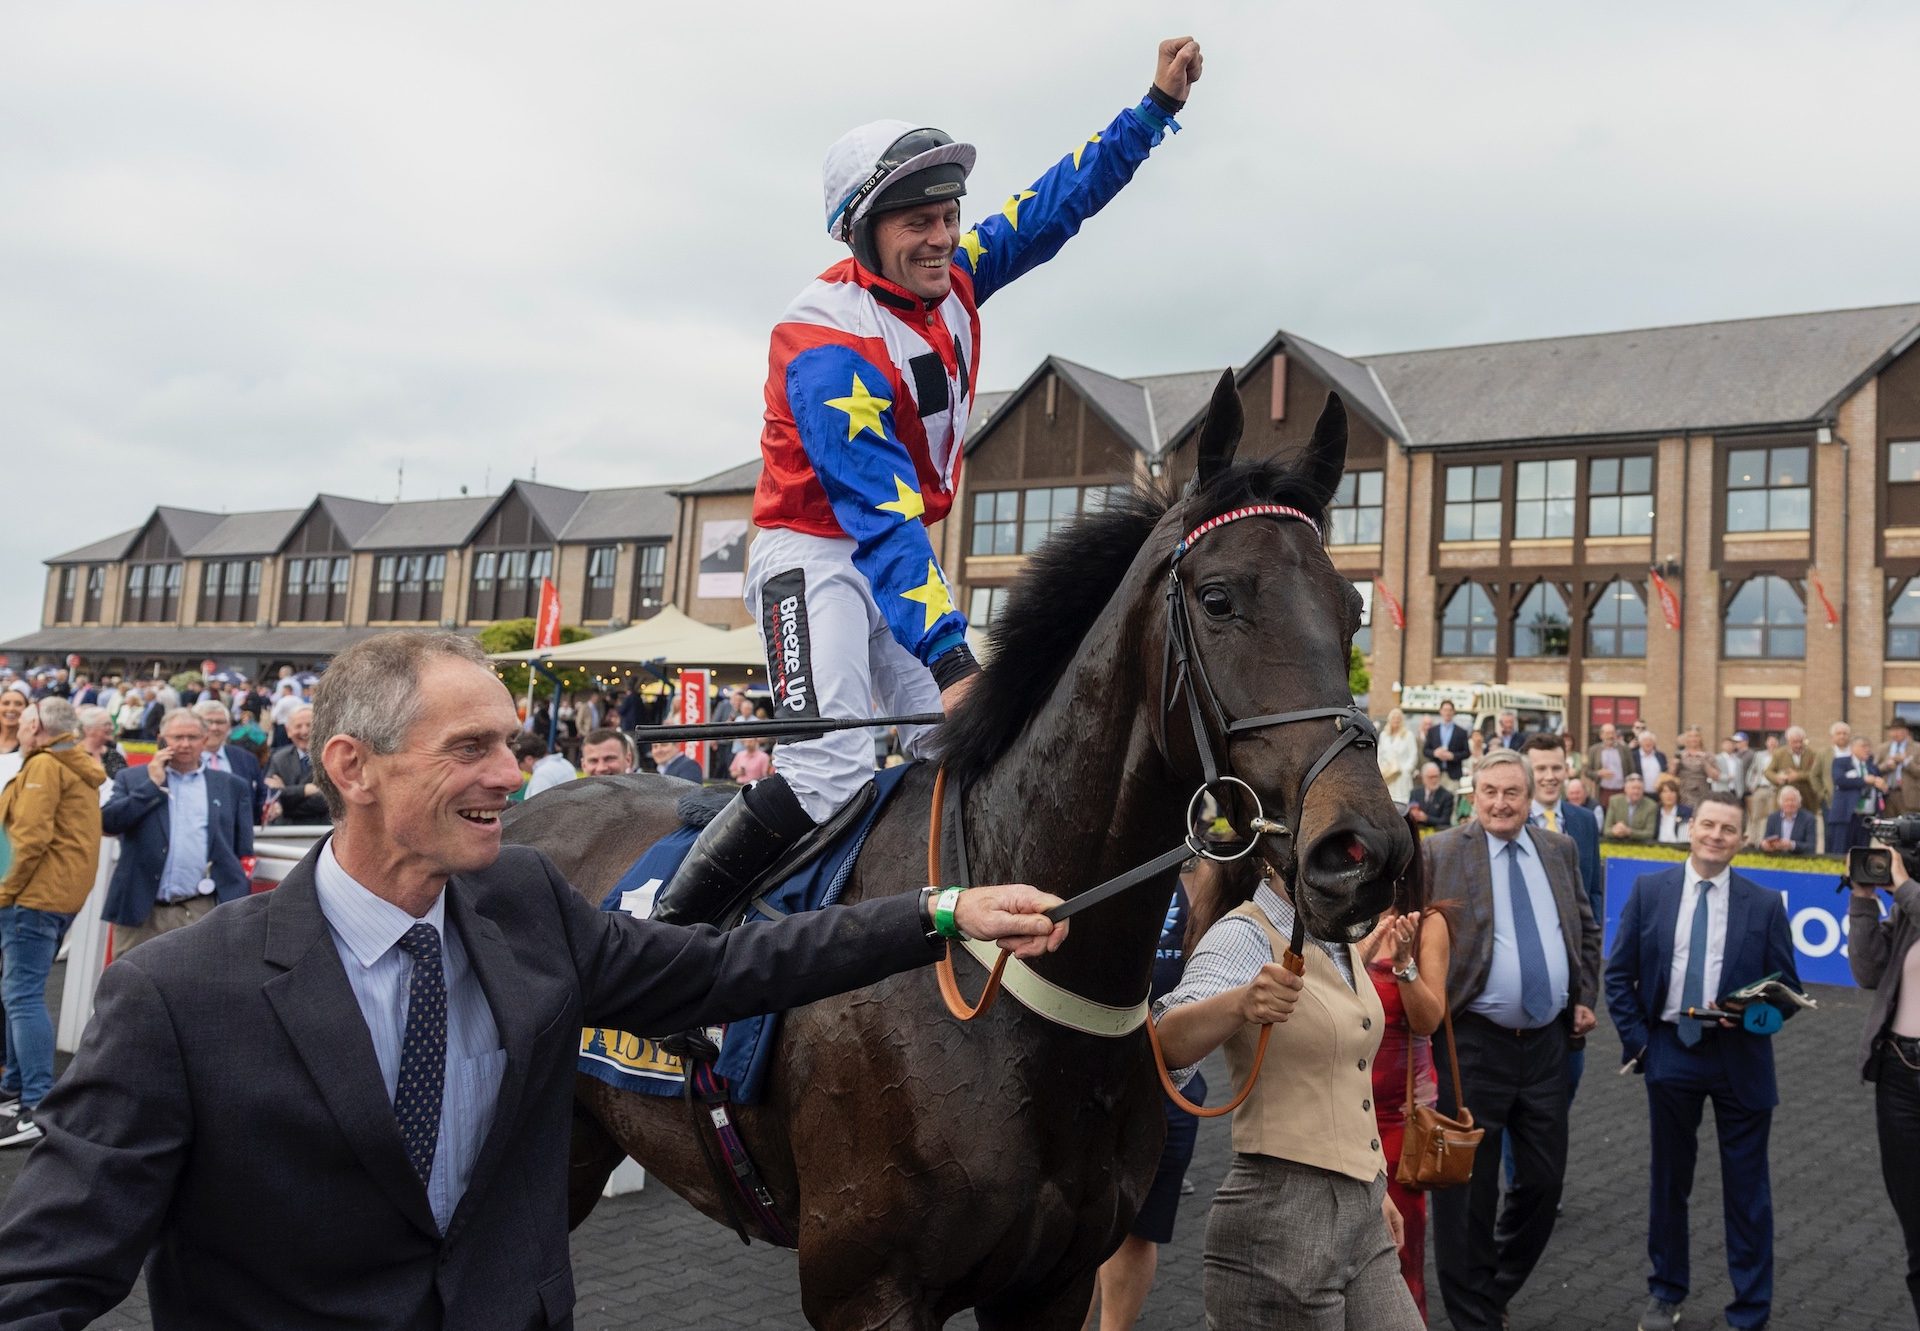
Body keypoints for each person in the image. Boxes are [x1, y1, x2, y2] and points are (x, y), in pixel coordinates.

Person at [0, 630, 1065, 1327]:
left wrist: (940, 913)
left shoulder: (527, 903)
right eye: (471, 747)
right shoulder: (179, 998)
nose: (510, 775)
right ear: (351, 767)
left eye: (508, 744)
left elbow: (728, 966)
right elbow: (50, 1269)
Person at [651, 37, 1205, 934]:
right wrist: (951, 660)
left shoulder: (953, 279)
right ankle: (662, 943)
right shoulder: (822, 341)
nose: (943, 236)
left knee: (962, 755)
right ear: (860, 232)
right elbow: (878, 519)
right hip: (816, 555)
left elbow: (1055, 207)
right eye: (918, 222)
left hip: (895, 554)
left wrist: (1152, 112)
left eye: (948, 214)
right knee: (827, 770)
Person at [1154, 853, 1421, 1328]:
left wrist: (1369, 1187)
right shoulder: (1245, 932)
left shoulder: (1336, 932)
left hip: (1362, 1209)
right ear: (1268, 858)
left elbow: (1341, 1072)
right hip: (1280, 1218)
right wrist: (1241, 1002)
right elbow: (1167, 1047)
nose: (1345, 859)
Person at [1420, 749, 1602, 1331]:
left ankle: (1491, 1287)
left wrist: (1583, 997)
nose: (1501, 803)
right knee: (1465, 1192)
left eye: (1512, 793)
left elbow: (1585, 926)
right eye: (1490, 791)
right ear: (1474, 794)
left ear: (1531, 797)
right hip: (1470, 1043)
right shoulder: (1441, 851)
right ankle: (1473, 1315)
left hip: (1548, 1046)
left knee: (1543, 1183)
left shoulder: (1559, 849)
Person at [1605, 793, 1799, 1331]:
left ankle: (1751, 1310)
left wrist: (1755, 1017)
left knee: (1748, 1193)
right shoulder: (1651, 891)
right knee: (1669, 1184)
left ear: (1742, 838)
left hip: (1742, 1059)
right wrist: (1641, 1044)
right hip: (1671, 1050)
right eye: (1708, 824)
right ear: (1690, 829)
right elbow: (1619, 977)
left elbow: (1788, 995)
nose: (1716, 835)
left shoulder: (1764, 904)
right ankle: (1666, 1292)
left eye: (1728, 829)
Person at [1085, 856, 1214, 1331]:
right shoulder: (1106, 862)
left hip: (1170, 1087)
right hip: (1093, 1088)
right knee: (1080, 1233)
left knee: (1140, 1232)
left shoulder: (1200, 880)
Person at [0, 699, 105, 1148]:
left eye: (24, 722)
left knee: (22, 994)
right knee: (23, 990)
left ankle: (36, 1102)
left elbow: (29, 839)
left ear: (39, 728)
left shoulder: (45, 766)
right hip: (56, 896)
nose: (18, 729)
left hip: (33, 897)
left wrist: (4, 893)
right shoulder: (71, 764)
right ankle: (18, 1089)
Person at [1364, 853, 1452, 1320]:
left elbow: (1428, 1020)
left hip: (1399, 1117)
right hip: (1336, 1106)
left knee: (1399, 1254)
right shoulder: (1336, 910)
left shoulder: (1426, 922)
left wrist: (1403, 965)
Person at [99, 708, 253, 955]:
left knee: (194, 990)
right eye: (176, 737)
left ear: (204, 740)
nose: (184, 744)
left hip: (201, 909)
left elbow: (242, 849)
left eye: (192, 737)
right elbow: (108, 823)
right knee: (129, 989)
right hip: (142, 911)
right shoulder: (133, 778)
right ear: (162, 739)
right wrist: (151, 786)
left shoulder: (231, 786)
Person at [1847, 835, 1920, 1325]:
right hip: (1900, 1073)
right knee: (1917, 1226)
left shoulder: (1912, 897)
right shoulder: (1910, 906)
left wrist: (1904, 886)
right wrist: (1863, 900)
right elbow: (1869, 969)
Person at [195, 698, 268, 824]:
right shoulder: (183, 760)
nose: (214, 728)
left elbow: (260, 797)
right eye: (207, 722)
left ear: (228, 726)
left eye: (220, 722)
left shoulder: (246, 759)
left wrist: (271, 807)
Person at [266, 705, 332, 824]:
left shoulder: (332, 758)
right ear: (288, 731)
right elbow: (272, 795)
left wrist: (285, 794)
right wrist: (305, 790)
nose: (304, 731)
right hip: (285, 832)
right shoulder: (279, 758)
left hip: (321, 829)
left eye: (309, 725)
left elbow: (326, 801)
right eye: (298, 726)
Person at [1831, 735, 1888, 859]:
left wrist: (1884, 788)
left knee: (1862, 854)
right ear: (1852, 748)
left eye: (1869, 746)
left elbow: (1880, 792)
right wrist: (1864, 780)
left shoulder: (1872, 767)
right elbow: (1839, 780)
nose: (1867, 749)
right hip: (1847, 815)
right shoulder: (1841, 762)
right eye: (1863, 746)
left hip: (1867, 818)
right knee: (1842, 853)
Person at [74, 704, 127, 782]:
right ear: (88, 729)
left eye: (111, 724)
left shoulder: (115, 755)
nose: (112, 728)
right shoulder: (73, 754)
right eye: (107, 725)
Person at [1758, 786, 1817, 856]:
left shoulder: (1809, 819)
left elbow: (1811, 847)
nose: (1789, 804)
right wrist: (1764, 845)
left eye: (1793, 800)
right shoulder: (1772, 818)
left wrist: (1791, 845)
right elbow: (1765, 841)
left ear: (1799, 803)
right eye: (1786, 801)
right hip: (1776, 858)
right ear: (1780, 803)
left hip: (1798, 859)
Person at [1879, 717, 1920, 817]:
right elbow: (1875, 769)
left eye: (1898, 730)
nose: (1895, 734)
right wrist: (1886, 766)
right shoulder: (1883, 748)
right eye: (1893, 730)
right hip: (1887, 795)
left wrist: (1905, 762)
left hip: (1908, 796)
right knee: (1888, 826)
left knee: (1908, 829)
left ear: (1906, 732)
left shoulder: (1917, 748)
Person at [1377, 707, 1418, 804]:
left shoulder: (1408, 735)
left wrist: (1406, 770)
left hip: (1402, 776)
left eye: (1398, 718)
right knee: (1387, 802)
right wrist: (1381, 770)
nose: (1396, 720)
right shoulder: (1384, 735)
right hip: (1388, 776)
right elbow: (1379, 754)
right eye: (1394, 718)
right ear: (1389, 720)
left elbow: (1413, 755)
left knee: (1402, 803)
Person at [1588, 722, 1631, 809]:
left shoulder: (1624, 749)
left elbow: (1631, 769)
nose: (1610, 736)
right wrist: (1598, 773)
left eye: (1613, 733)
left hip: (1622, 791)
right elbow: (1587, 771)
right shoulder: (1594, 750)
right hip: (1603, 791)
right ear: (1601, 735)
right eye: (1607, 733)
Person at [1606, 774, 1659, 843]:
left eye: (1639, 788)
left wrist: (1629, 832)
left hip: (1641, 846)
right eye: (1633, 788)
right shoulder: (1614, 801)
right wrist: (1615, 831)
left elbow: (1650, 833)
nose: (1636, 792)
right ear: (1625, 789)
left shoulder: (1651, 805)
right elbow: (1606, 830)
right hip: (1617, 843)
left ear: (1643, 790)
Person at [1424, 698, 1466, 783]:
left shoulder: (1461, 732)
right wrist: (1435, 753)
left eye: (1450, 710)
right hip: (1435, 775)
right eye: (1445, 710)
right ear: (1441, 711)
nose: (1447, 712)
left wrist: (1453, 756)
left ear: (1454, 712)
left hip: (1453, 775)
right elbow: (1425, 750)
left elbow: (1466, 752)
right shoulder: (1433, 730)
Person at [1672, 727, 1714, 810]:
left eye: (1696, 736)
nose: (1693, 739)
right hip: (1684, 793)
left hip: (1702, 792)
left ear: (1700, 738)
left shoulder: (1708, 755)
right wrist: (1674, 764)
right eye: (1690, 736)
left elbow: (1715, 776)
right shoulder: (1679, 754)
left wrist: (1704, 761)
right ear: (1685, 739)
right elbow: (1671, 775)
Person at [1408, 761, 1454, 829]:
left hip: (1438, 833)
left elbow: (1445, 821)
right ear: (1423, 778)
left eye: (1436, 776)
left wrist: (1426, 818)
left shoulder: (1447, 796)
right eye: (1431, 777)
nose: (1434, 780)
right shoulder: (1415, 793)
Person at [1653, 774, 1692, 846]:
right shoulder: (1655, 812)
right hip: (1658, 846)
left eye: (1672, 791)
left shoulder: (1686, 811)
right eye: (1665, 791)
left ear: (1677, 794)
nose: (1669, 795)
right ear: (1660, 795)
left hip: (1679, 847)